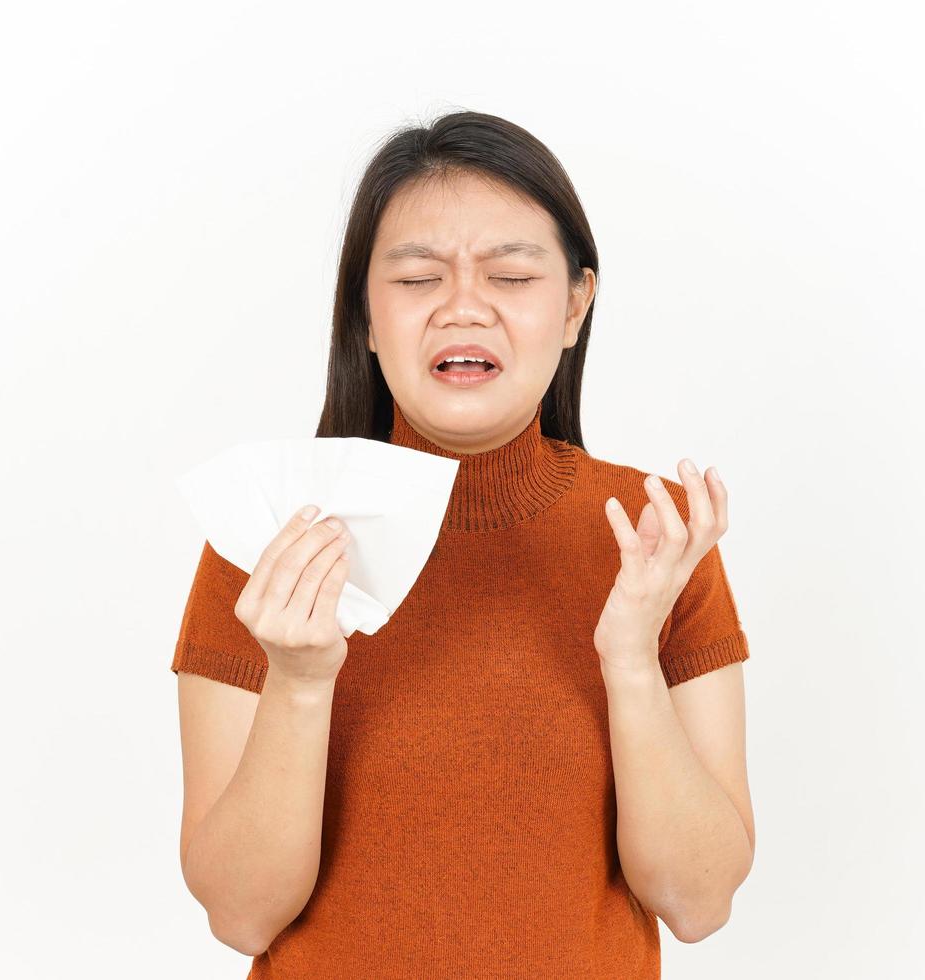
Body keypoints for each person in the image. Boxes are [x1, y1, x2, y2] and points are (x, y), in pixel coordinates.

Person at [170, 109, 755, 979]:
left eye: (512, 275)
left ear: (574, 307)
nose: (464, 307)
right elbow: (240, 913)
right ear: (364, 318)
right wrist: (298, 681)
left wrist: (630, 659)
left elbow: (698, 902)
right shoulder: (269, 536)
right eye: (417, 278)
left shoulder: (655, 540)